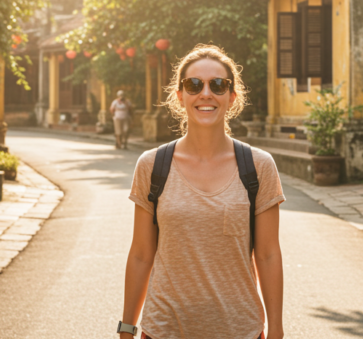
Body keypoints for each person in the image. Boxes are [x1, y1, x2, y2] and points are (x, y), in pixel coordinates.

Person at [119, 44, 285, 339]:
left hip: (239, 329)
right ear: (180, 96)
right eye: (193, 85)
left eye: (218, 85)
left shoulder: (259, 167)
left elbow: (269, 254)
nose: (205, 93)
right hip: (164, 329)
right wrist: (127, 328)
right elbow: (142, 254)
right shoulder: (153, 165)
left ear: (232, 97)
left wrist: (276, 330)